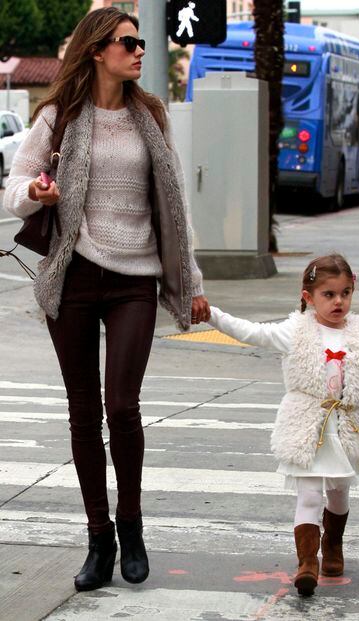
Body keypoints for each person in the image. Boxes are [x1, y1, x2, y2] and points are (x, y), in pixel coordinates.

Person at [3, 7, 210, 592]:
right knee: (82, 412)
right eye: (128, 42)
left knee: (122, 405)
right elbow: (15, 187)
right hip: (73, 275)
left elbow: (174, 207)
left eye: (142, 43)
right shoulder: (58, 116)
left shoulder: (150, 115)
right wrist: (38, 191)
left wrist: (190, 281)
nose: (139, 50)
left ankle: (133, 524)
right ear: (98, 50)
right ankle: (99, 538)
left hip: (134, 280)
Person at [205, 254, 359, 597]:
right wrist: (212, 314)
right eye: (329, 295)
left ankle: (332, 543)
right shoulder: (296, 331)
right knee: (310, 494)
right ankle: (307, 562)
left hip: (345, 428)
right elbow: (252, 332)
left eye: (345, 293)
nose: (339, 302)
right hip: (307, 428)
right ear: (308, 297)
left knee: (339, 494)